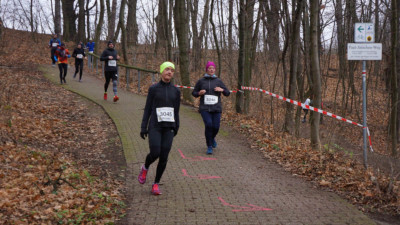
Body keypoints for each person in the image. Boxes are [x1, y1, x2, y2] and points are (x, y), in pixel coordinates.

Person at [138, 61, 181, 195]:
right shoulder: (154, 89)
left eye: (172, 70)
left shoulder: (176, 90)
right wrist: (143, 126)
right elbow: (148, 109)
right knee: (155, 152)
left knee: (164, 156)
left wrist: (176, 127)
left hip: (169, 127)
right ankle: (145, 167)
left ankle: (156, 183)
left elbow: (176, 111)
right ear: (161, 71)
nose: (169, 72)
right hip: (155, 126)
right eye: (167, 69)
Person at [192, 61, 230, 155]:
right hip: (205, 108)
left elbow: (227, 93)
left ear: (215, 70)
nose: (211, 69)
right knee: (209, 125)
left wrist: (222, 90)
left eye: (213, 68)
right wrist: (199, 93)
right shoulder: (201, 81)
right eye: (210, 68)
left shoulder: (218, 81)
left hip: (216, 108)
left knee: (216, 127)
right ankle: (209, 146)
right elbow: (194, 93)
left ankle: (212, 138)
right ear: (206, 70)